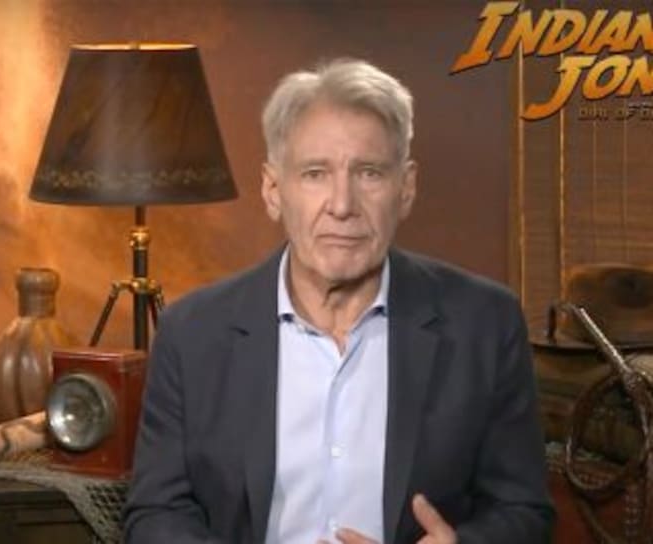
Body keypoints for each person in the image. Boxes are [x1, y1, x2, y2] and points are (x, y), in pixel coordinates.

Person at [122, 59, 553, 543]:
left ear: (406, 189)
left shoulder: (485, 324)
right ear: (273, 190)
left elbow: (523, 512)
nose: (343, 205)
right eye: (315, 174)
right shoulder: (192, 333)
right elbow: (156, 513)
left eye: (369, 173)